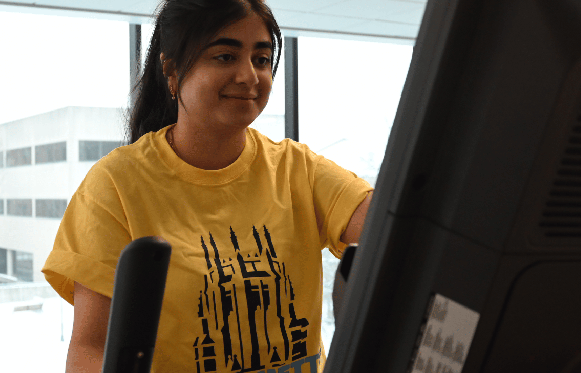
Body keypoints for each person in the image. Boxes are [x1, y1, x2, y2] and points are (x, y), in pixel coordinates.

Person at [41, 0, 374, 371]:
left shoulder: (298, 169)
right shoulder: (115, 186)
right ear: (172, 69)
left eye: (261, 60)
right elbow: (91, 348)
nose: (249, 76)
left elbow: (399, 233)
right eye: (225, 57)